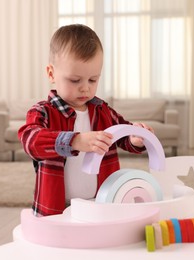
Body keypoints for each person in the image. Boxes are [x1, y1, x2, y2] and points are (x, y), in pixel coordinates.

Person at [18, 24, 153, 217]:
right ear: (51, 74)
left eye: (92, 80)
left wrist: (135, 138)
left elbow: (123, 134)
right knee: (58, 246)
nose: (85, 89)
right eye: (75, 80)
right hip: (56, 208)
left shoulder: (102, 110)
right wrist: (75, 141)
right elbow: (30, 140)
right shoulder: (43, 112)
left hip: (101, 203)